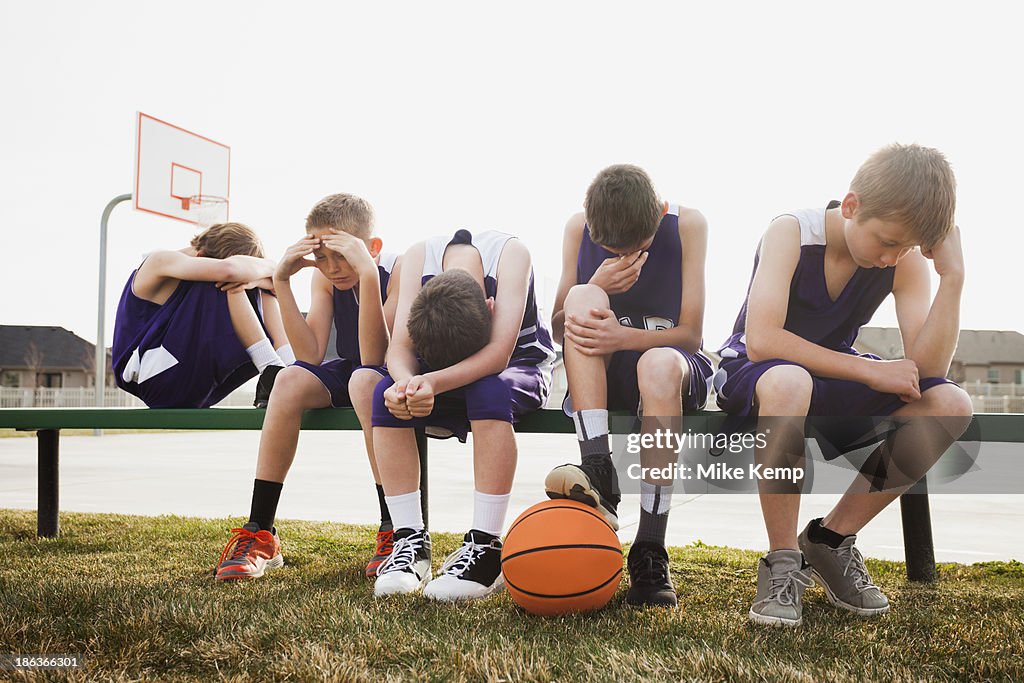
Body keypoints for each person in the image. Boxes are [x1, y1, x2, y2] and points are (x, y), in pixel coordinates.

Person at [714, 143, 973, 627]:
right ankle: (783, 561)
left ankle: (831, 540)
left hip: (832, 374)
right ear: (851, 206)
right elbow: (762, 339)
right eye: (887, 241)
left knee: (950, 402)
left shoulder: (902, 258)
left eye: (906, 248)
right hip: (755, 370)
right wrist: (872, 370)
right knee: (791, 382)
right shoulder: (791, 230)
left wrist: (952, 278)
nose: (892, 256)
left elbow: (926, 368)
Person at [547, 163, 714, 607]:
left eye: (635, 248)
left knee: (657, 365)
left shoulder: (688, 225)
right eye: (609, 249)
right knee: (580, 299)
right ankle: (598, 468)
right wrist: (594, 283)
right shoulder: (575, 229)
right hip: (605, 373)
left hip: (671, 367)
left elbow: (692, 334)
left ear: (658, 215)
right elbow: (558, 326)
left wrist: (626, 338)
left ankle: (650, 547)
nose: (622, 256)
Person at [214, 194, 401, 581]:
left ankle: (394, 530)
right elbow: (309, 354)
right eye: (322, 257)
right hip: (353, 370)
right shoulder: (325, 279)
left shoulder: (396, 273)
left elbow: (375, 355)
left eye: (341, 255)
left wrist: (367, 274)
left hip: (395, 374)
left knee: (366, 381)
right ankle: (260, 531)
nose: (332, 268)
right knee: (288, 379)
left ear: (372, 248)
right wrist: (281, 280)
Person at [370, 229, 555, 601]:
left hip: (519, 363)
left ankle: (486, 546)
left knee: (489, 388)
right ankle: (410, 543)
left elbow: (498, 354)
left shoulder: (511, 255)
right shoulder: (418, 254)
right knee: (383, 394)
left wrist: (431, 384)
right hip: (436, 365)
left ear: (490, 307)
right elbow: (398, 350)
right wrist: (407, 385)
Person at [112, 221, 290, 409]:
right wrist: (270, 269)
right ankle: (271, 369)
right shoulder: (159, 261)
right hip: (152, 378)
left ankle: (291, 369)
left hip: (200, 387)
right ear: (201, 256)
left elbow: (268, 282)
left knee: (259, 289)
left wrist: (258, 281)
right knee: (229, 280)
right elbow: (229, 271)